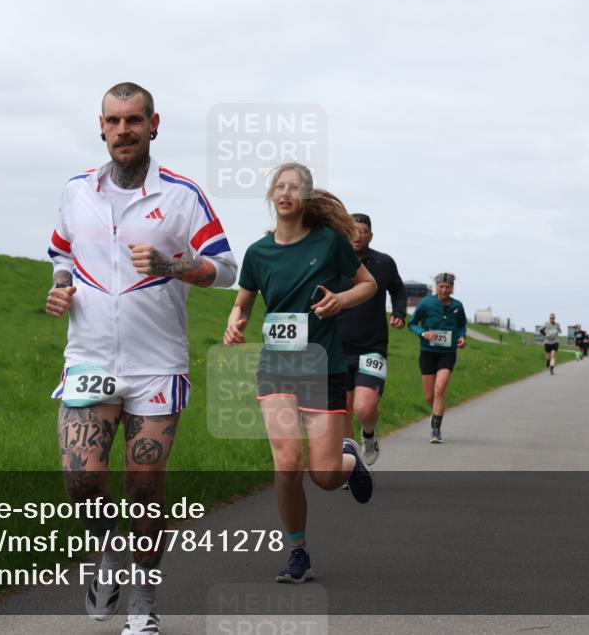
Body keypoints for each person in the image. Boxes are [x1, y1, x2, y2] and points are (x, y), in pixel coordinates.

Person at [46, 82, 237, 635]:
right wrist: (61, 286)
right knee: (80, 482)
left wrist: (172, 265)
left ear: (154, 125)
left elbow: (225, 269)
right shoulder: (75, 191)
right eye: (114, 120)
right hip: (89, 357)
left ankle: (144, 603)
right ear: (100, 126)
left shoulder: (182, 195)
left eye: (134, 120)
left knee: (145, 488)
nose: (124, 130)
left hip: (157, 364)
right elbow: (61, 251)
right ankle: (110, 555)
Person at [224, 162, 377, 584]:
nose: (286, 193)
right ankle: (298, 551)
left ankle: (350, 462)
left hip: (322, 368)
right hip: (276, 368)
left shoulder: (329, 243)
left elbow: (368, 285)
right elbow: (244, 301)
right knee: (288, 465)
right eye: (280, 186)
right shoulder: (258, 252)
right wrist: (235, 320)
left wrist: (341, 302)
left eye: (295, 187)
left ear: (305, 198)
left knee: (324, 476)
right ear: (272, 194)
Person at [337, 212, 407, 464]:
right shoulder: (332, 261)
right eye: (353, 229)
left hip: (371, 347)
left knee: (364, 409)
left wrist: (399, 313)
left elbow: (398, 290)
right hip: (337, 347)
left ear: (370, 235)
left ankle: (369, 433)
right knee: (343, 412)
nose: (358, 234)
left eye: (363, 230)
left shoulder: (383, 263)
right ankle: (349, 464)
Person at [408, 273, 467, 443]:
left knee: (440, 388)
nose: (444, 289)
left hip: (447, 353)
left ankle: (436, 430)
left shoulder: (458, 306)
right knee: (429, 395)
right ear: (436, 286)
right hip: (427, 352)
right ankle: (435, 412)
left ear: (452, 288)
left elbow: (462, 325)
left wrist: (462, 337)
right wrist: (424, 333)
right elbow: (412, 324)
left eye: (447, 287)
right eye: (441, 286)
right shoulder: (426, 303)